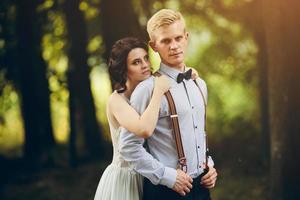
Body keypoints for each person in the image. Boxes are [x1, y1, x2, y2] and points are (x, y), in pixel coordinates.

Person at [119, 9, 218, 200]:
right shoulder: (147, 90)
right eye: (165, 41)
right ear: (154, 46)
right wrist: (167, 176)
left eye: (178, 38)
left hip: (202, 189)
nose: (174, 46)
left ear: (186, 37)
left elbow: (198, 134)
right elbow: (129, 146)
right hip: (165, 192)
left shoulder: (199, 84)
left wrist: (210, 165)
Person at [94, 37, 199, 200]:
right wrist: (158, 92)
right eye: (136, 62)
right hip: (127, 178)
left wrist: (185, 72)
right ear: (123, 70)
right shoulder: (117, 101)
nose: (145, 65)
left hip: (148, 174)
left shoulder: (147, 88)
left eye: (146, 58)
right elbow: (145, 129)